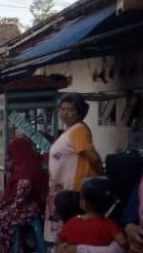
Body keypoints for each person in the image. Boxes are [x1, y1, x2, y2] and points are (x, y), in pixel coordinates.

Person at [44, 93, 103, 242]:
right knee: (67, 236)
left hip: (74, 192)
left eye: (70, 110)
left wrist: (102, 178)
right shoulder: (71, 131)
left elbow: (93, 157)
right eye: (63, 109)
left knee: (72, 237)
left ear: (80, 112)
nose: (65, 113)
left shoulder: (78, 130)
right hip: (66, 192)